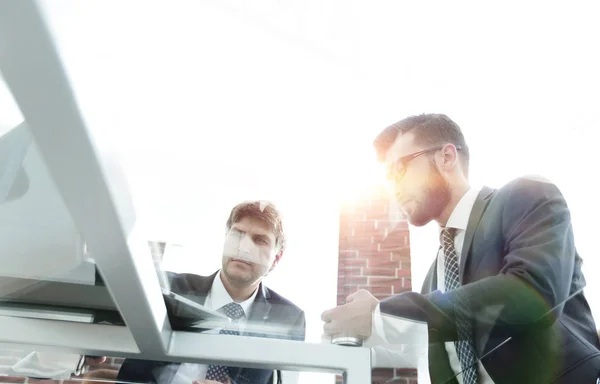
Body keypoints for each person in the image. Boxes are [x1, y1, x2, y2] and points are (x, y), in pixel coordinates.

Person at [321, 114, 600, 384]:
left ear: (447, 157)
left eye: (399, 169)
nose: (393, 187)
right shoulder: (433, 279)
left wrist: (381, 316)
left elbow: (534, 290)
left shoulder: (527, 195)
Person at [118, 201, 305, 384]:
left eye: (260, 240)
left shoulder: (288, 317)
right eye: (238, 235)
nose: (244, 247)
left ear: (276, 259)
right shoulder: (169, 286)